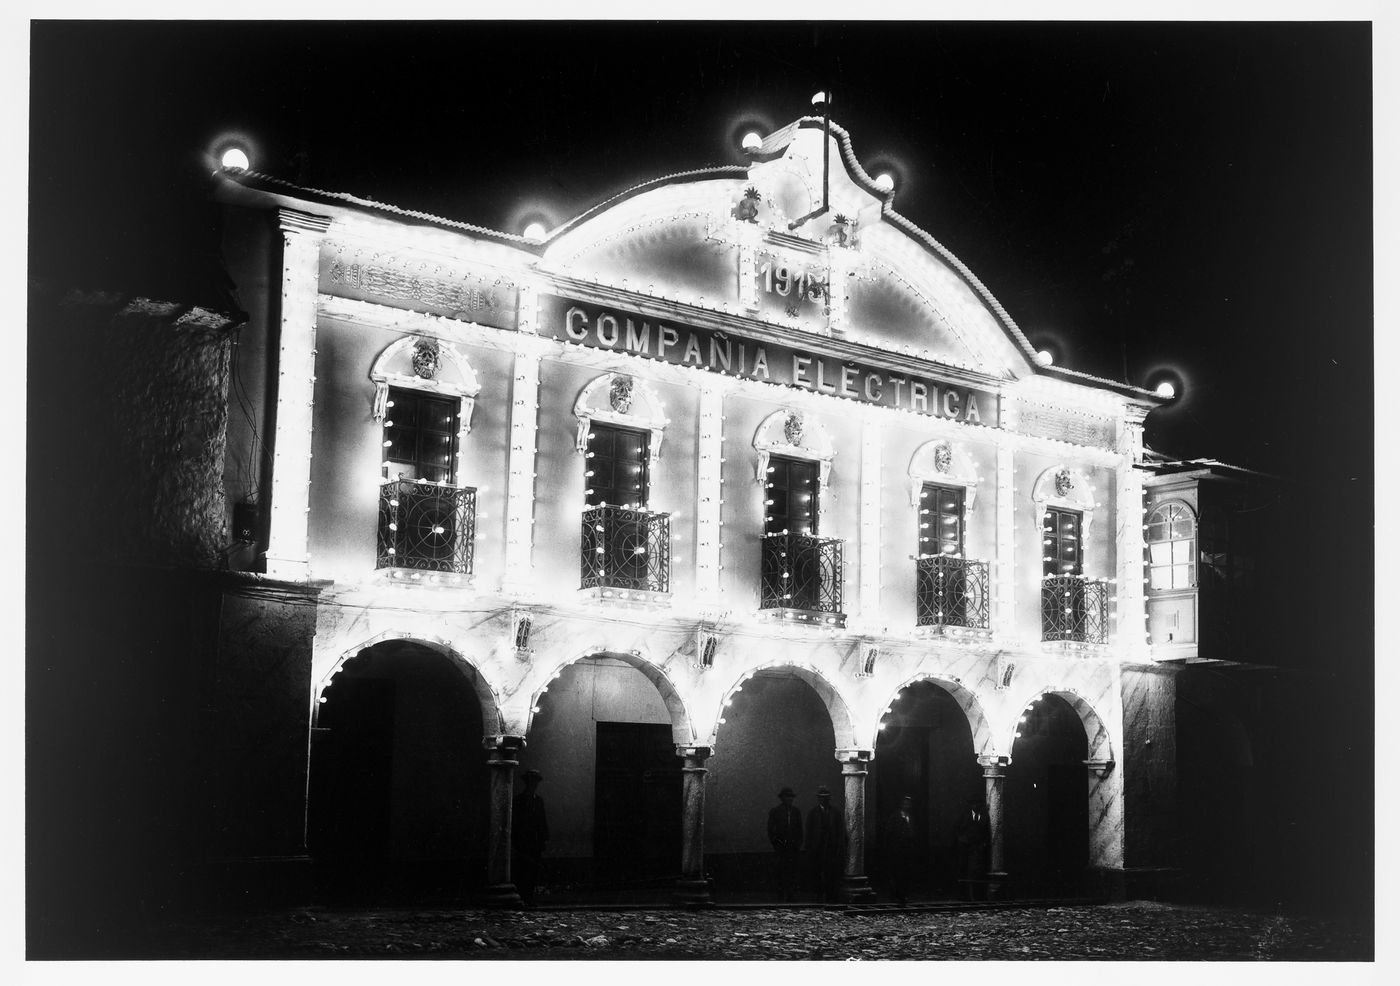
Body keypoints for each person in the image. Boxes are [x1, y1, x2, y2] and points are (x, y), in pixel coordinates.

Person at [512, 769, 548, 906]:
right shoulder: (519, 801)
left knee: (533, 871)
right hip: (523, 842)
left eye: (535, 782)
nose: (534, 785)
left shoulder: (538, 801)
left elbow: (542, 820)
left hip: (535, 842)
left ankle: (529, 897)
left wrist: (543, 838)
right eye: (532, 782)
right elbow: (516, 822)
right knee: (523, 870)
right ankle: (522, 897)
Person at [805, 785, 844, 902]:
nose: (824, 799)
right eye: (821, 797)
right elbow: (809, 831)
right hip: (817, 848)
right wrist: (810, 848)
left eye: (826, 797)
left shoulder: (836, 813)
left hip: (831, 848)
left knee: (831, 873)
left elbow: (840, 831)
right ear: (818, 799)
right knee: (817, 872)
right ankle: (819, 894)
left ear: (829, 798)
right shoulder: (813, 813)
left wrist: (838, 846)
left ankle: (830, 894)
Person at [767, 786, 803, 902]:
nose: (789, 799)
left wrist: (798, 843)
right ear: (782, 798)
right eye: (787, 797)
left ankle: (790, 894)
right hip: (781, 848)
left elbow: (799, 829)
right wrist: (776, 843)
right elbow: (770, 829)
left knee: (792, 871)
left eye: (791, 797)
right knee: (781, 871)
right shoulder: (775, 811)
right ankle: (781, 894)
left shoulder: (796, 812)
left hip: (793, 848)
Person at [954, 797, 991, 900]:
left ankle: (975, 896)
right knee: (964, 870)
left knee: (975, 871)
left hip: (977, 849)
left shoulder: (984, 817)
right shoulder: (964, 816)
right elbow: (956, 828)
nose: (976, 806)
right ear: (970, 806)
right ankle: (965, 895)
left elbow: (986, 832)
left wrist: (983, 844)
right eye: (974, 804)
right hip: (965, 847)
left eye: (978, 804)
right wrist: (961, 840)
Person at [883, 795, 917, 906]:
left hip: (908, 850)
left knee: (906, 874)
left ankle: (904, 895)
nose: (907, 806)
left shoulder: (911, 818)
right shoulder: (894, 817)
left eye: (909, 804)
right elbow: (888, 833)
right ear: (901, 805)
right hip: (897, 850)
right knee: (897, 873)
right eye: (905, 803)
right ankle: (896, 895)